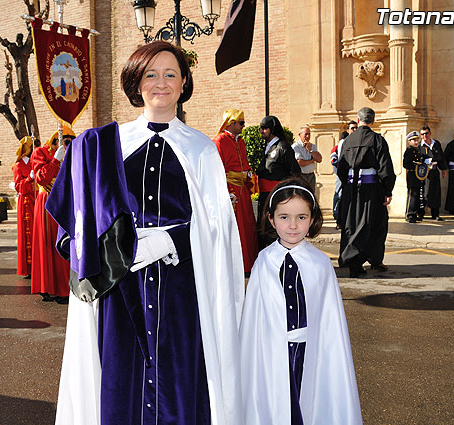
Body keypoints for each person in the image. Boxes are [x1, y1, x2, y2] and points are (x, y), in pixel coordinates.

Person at [52, 41, 245, 425]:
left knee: (179, 377)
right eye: (151, 74)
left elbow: (218, 228)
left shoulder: (202, 150)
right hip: (120, 285)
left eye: (171, 74)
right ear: (136, 82)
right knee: (119, 377)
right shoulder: (104, 146)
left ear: (184, 82)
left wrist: (169, 240)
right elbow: (77, 220)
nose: (161, 82)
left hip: (181, 288)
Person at [240, 177, 362, 425]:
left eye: (301, 217)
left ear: (313, 219)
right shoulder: (264, 262)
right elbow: (253, 324)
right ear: (271, 219)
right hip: (272, 358)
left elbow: (330, 324)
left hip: (312, 354)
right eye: (284, 217)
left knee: (309, 409)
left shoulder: (320, 264)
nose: (293, 225)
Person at [337, 107, 395, 278]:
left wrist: (348, 185)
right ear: (373, 121)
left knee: (351, 224)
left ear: (358, 119)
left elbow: (341, 168)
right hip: (371, 189)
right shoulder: (378, 140)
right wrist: (387, 189)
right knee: (376, 223)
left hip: (351, 189)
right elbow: (385, 168)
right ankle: (372, 260)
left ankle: (350, 260)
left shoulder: (347, 140)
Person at [30, 127, 74, 304]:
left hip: (66, 200)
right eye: (64, 141)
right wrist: (56, 160)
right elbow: (41, 178)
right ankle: (48, 287)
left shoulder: (71, 153)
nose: (66, 145)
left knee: (66, 244)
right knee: (48, 244)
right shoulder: (40, 152)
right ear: (56, 140)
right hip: (48, 200)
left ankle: (65, 287)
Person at [213, 108, 258, 273]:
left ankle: (248, 264)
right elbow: (217, 170)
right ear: (231, 123)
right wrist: (227, 191)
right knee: (235, 230)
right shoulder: (219, 141)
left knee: (247, 229)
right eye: (241, 123)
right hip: (231, 192)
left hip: (242, 190)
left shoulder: (241, 141)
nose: (243, 126)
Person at [256, 115, 301, 250]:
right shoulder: (264, 147)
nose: (262, 131)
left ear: (272, 129)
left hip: (276, 196)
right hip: (263, 196)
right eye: (261, 128)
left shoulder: (283, 147)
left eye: (264, 128)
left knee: (273, 230)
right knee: (262, 229)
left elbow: (295, 171)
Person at [13, 136, 35, 277]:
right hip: (26, 201)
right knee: (28, 232)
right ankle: (28, 266)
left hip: (37, 198)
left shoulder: (36, 162)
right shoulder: (19, 166)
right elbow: (18, 186)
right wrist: (29, 178)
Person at [331, 121, 358, 227]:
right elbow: (337, 159)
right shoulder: (342, 142)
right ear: (348, 130)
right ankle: (338, 217)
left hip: (354, 175)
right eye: (352, 128)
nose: (354, 130)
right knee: (339, 195)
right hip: (343, 174)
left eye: (356, 128)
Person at [418, 125, 447, 220]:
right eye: (422, 134)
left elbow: (441, 157)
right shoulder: (420, 146)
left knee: (436, 193)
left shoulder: (436, 143)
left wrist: (443, 169)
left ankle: (435, 214)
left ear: (430, 133)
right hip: (425, 173)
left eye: (426, 133)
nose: (424, 136)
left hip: (434, 171)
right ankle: (421, 214)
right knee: (424, 193)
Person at [403, 131, 425, 223]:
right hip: (412, 175)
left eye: (417, 140)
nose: (416, 142)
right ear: (409, 141)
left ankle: (415, 213)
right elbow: (406, 164)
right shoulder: (409, 151)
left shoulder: (419, 150)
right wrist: (415, 166)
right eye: (413, 140)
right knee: (412, 195)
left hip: (418, 176)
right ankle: (409, 214)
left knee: (417, 195)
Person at [292, 125, 322, 193]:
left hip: (311, 176)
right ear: (300, 135)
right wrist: (312, 160)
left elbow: (319, 159)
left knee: (311, 196)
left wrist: (310, 150)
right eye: (306, 134)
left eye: (309, 134)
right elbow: (300, 162)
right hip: (301, 176)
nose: (308, 136)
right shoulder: (296, 147)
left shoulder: (312, 146)